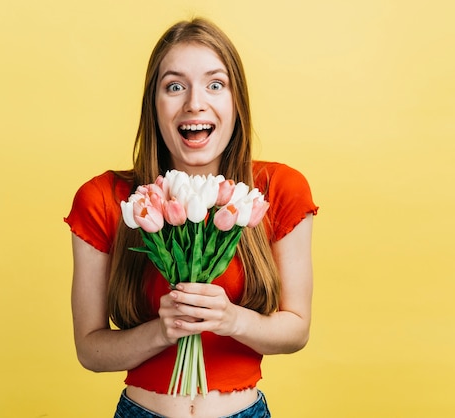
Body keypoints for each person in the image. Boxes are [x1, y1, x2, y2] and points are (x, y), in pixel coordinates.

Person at [65, 17, 318, 418]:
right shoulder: (106, 199)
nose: (194, 103)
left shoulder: (275, 190)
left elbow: (296, 330)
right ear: (154, 104)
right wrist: (162, 330)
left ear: (237, 102)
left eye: (215, 85)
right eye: (175, 86)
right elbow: (90, 350)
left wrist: (231, 319)